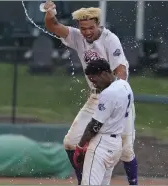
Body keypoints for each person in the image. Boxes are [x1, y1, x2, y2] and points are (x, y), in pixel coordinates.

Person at [43, 1, 137, 185]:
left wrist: (117, 91)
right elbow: (53, 26)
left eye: (91, 28)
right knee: (70, 142)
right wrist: (50, 11)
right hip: (95, 96)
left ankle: (134, 183)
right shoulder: (78, 37)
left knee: (126, 151)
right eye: (83, 28)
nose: (87, 32)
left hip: (116, 96)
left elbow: (121, 70)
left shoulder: (110, 39)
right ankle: (82, 181)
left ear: (98, 24)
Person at [73, 58, 135, 185]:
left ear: (103, 73)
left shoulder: (108, 93)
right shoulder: (125, 85)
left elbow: (94, 126)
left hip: (102, 143)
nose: (93, 84)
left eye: (93, 79)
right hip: (116, 145)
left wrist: (80, 147)